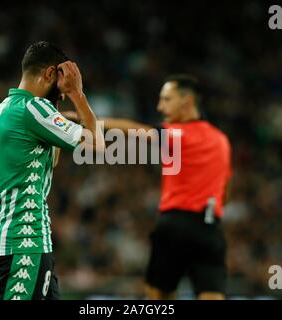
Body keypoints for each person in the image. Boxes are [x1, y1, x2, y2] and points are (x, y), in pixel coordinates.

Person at [66, 74, 232, 299]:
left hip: (175, 225)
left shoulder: (177, 134)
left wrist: (82, 119)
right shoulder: (222, 141)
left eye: (166, 99)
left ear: (187, 101)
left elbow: (130, 129)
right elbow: (225, 190)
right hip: (211, 228)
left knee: (157, 298)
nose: (160, 106)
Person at [0, 41, 104, 300]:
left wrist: (58, 105)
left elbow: (53, 158)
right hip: (24, 242)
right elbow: (97, 144)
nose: (61, 94)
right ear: (50, 74)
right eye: (59, 85)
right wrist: (77, 93)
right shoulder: (33, 108)